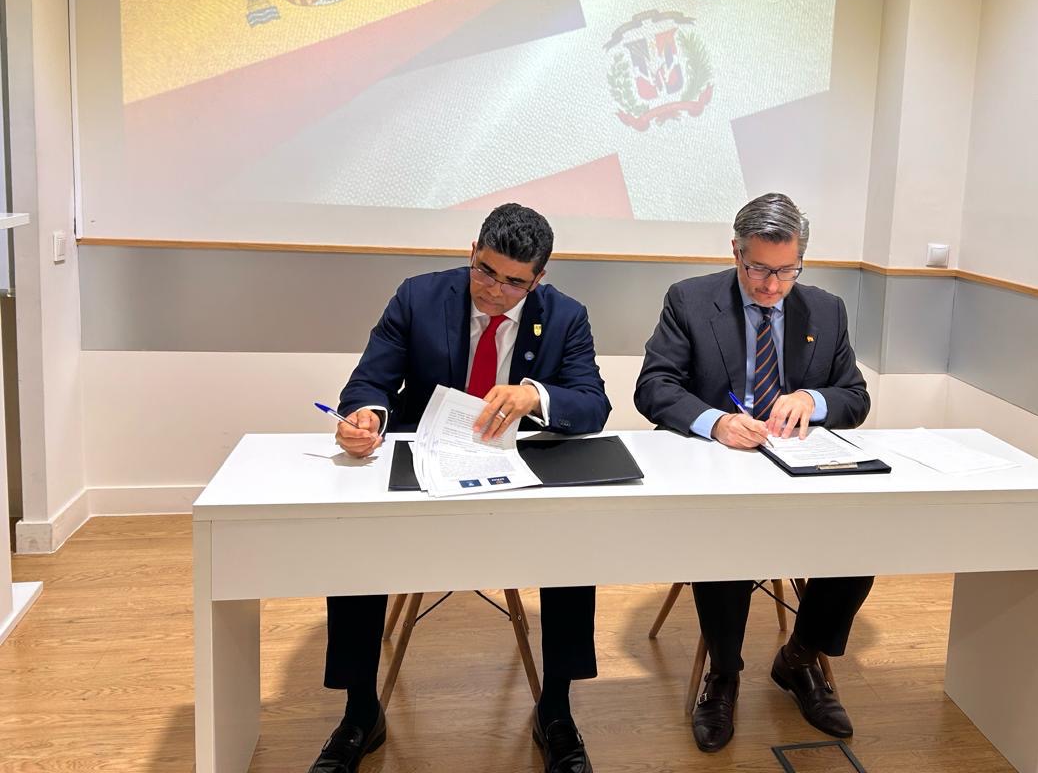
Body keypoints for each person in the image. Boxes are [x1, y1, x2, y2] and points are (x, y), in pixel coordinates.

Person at [311, 203, 610, 773]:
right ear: (472, 251)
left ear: (539, 278)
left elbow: (593, 404)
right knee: (356, 534)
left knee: (572, 533)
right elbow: (370, 381)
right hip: (425, 459)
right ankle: (359, 712)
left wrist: (536, 395)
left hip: (515, 467)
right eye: (485, 271)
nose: (495, 290)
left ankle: (556, 709)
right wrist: (366, 416)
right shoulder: (419, 296)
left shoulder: (565, 316)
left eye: (514, 282)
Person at [633, 192, 872, 752]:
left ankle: (800, 657)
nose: (771, 285)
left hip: (798, 472)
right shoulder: (690, 300)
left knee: (862, 534)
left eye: (787, 271)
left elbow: (855, 397)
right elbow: (653, 387)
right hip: (721, 473)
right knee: (728, 535)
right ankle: (724, 672)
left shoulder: (826, 310)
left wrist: (811, 399)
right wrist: (714, 422)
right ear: (736, 252)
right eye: (759, 269)